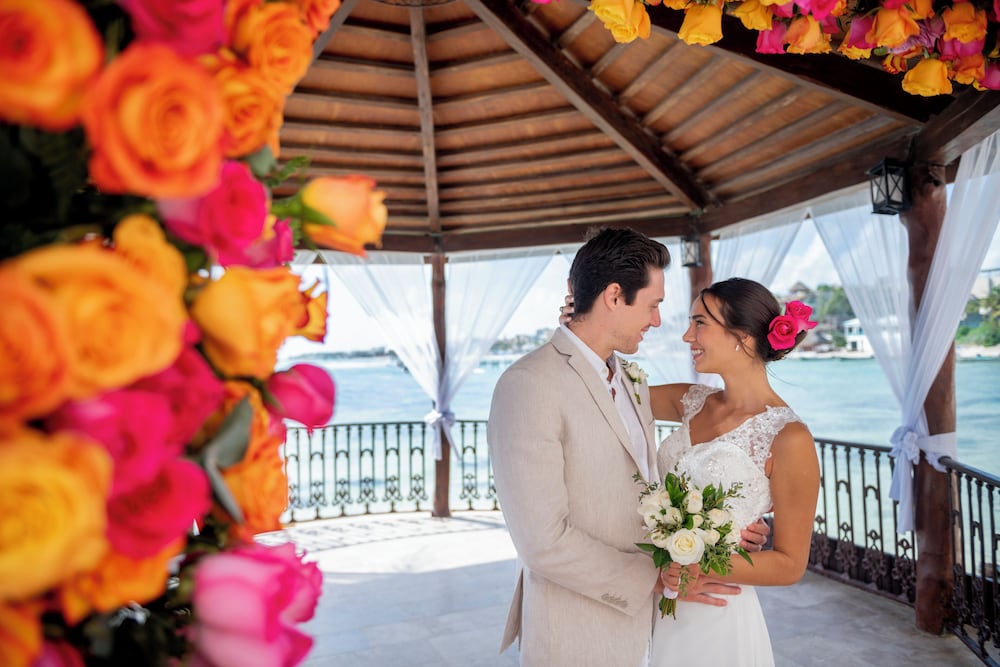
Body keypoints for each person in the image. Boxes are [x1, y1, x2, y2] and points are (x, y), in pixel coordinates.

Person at [488, 228, 768, 667]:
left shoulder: (633, 382)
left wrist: (727, 525)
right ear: (615, 296)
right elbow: (541, 541)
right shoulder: (528, 385)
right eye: (653, 304)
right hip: (578, 632)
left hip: (658, 629)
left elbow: (647, 487)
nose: (658, 321)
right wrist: (653, 577)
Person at [562, 277, 820, 667]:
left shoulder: (789, 437)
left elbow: (789, 564)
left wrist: (696, 563)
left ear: (745, 338)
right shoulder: (691, 401)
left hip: (719, 608)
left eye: (700, 323)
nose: (686, 336)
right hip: (664, 599)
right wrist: (579, 330)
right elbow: (602, 391)